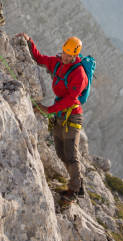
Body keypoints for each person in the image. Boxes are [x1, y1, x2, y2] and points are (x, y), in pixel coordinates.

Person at [17, 33, 87, 205]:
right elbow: (40, 59)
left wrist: (48, 109)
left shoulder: (79, 74)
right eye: (64, 53)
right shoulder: (57, 62)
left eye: (69, 56)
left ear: (75, 56)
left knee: (70, 153)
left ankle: (75, 190)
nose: (65, 57)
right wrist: (29, 42)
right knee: (60, 152)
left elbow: (71, 99)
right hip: (60, 114)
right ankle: (78, 183)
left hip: (73, 116)